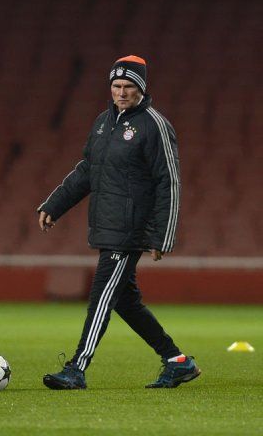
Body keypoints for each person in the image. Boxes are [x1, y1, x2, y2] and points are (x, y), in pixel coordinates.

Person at [37, 55, 201, 389]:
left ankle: (76, 369)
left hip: (131, 229)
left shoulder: (155, 124)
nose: (122, 93)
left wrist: (161, 237)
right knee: (125, 300)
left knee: (100, 297)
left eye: (128, 87)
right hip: (107, 226)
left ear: (141, 89)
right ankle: (177, 361)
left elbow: (169, 182)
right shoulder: (102, 122)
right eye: (116, 86)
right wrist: (56, 203)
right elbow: (88, 170)